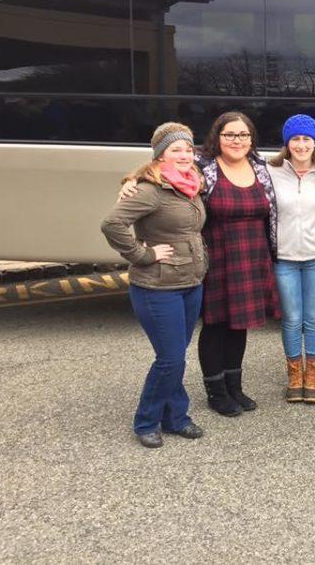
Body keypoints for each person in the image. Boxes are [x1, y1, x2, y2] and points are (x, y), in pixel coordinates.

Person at [118, 112, 281, 419]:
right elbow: (158, 175)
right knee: (217, 325)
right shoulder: (202, 166)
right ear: (216, 138)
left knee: (240, 326)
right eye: (229, 135)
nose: (237, 140)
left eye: (243, 135)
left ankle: (235, 386)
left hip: (252, 255)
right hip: (215, 256)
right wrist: (130, 182)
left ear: (251, 139)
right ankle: (216, 392)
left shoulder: (260, 167)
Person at [101, 122, 207, 448]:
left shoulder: (191, 184)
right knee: (171, 358)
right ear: (161, 155)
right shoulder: (148, 190)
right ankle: (146, 420)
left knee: (175, 354)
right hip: (157, 287)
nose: (185, 155)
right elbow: (112, 224)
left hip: (190, 280)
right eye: (177, 149)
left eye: (189, 149)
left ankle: (176, 417)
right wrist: (143, 255)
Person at [268, 114, 315, 405]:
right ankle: (295, 375)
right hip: (284, 257)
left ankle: (314, 375)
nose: (301, 144)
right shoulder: (270, 171)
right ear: (287, 142)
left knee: (314, 317)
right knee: (292, 319)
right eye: (295, 138)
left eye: (307, 139)